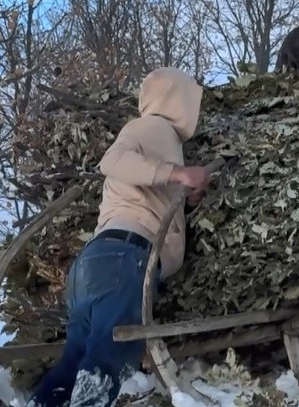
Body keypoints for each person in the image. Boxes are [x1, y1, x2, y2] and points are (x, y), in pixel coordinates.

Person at [28, 67, 212, 407]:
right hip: (125, 259)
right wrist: (179, 172)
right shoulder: (152, 126)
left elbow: (143, 193)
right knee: (102, 367)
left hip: (97, 263)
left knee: (73, 366)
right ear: (177, 100)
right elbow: (113, 161)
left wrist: (182, 192)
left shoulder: (161, 139)